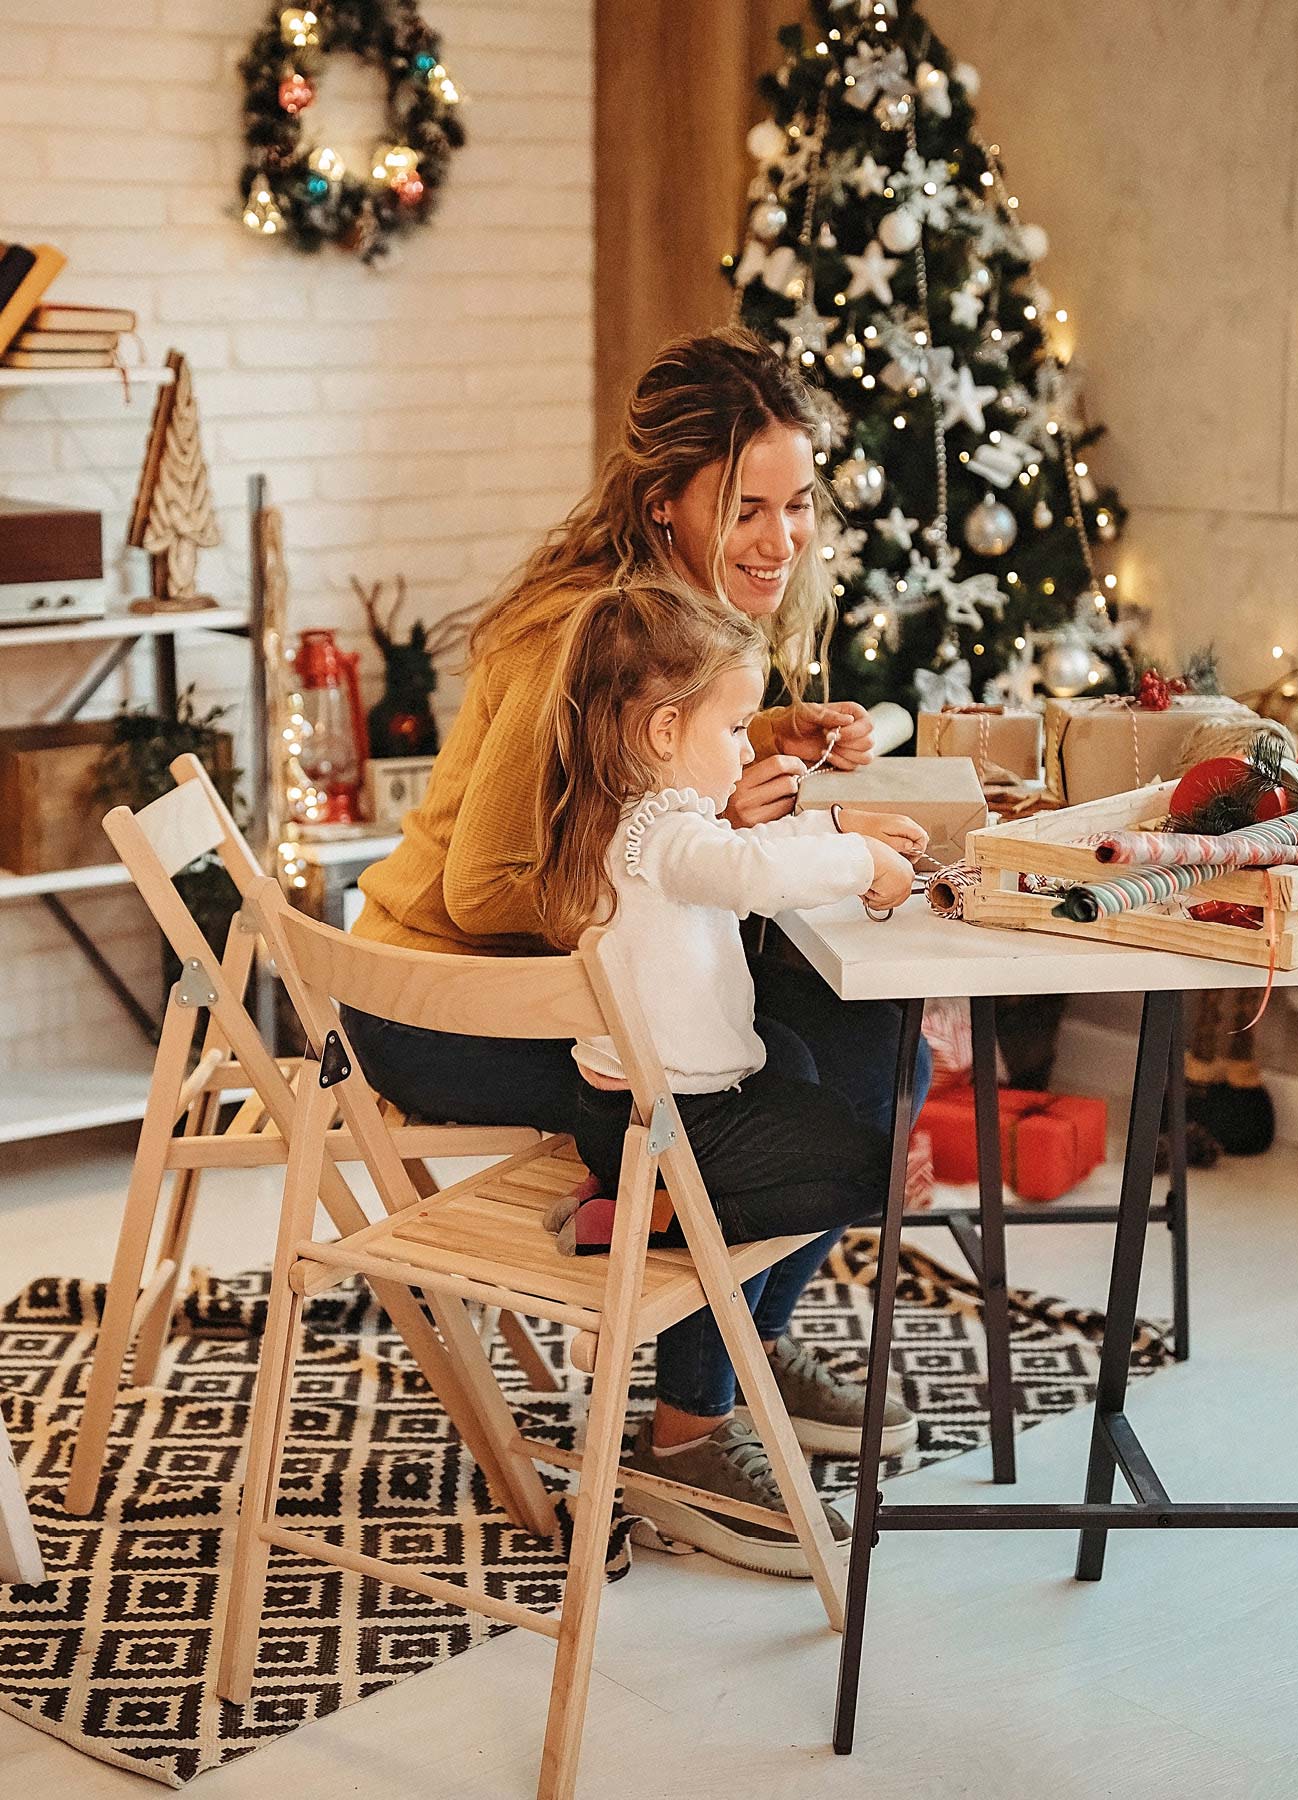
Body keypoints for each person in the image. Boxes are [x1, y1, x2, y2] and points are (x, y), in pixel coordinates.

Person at [344, 326, 932, 1564]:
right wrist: (709, 829)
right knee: (784, 1082)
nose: (783, 540)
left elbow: (618, 767)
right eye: (747, 509)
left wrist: (759, 729)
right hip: (447, 1001)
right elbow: (489, 880)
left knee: (872, 1042)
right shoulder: (580, 627)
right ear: (665, 504)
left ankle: (737, 1349)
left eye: (799, 504)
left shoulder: (664, 617)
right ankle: (683, 1439)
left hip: (553, 984)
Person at [531, 577, 921, 1576]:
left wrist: (841, 838)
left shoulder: (633, 819)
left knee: (801, 1072)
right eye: (737, 728)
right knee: (861, 1157)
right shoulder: (663, 835)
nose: (749, 750)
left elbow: (743, 851)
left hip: (630, 1111)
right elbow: (745, 873)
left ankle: (640, 1225)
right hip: (675, 1124)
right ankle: (653, 1248)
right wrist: (856, 859)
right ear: (663, 731)